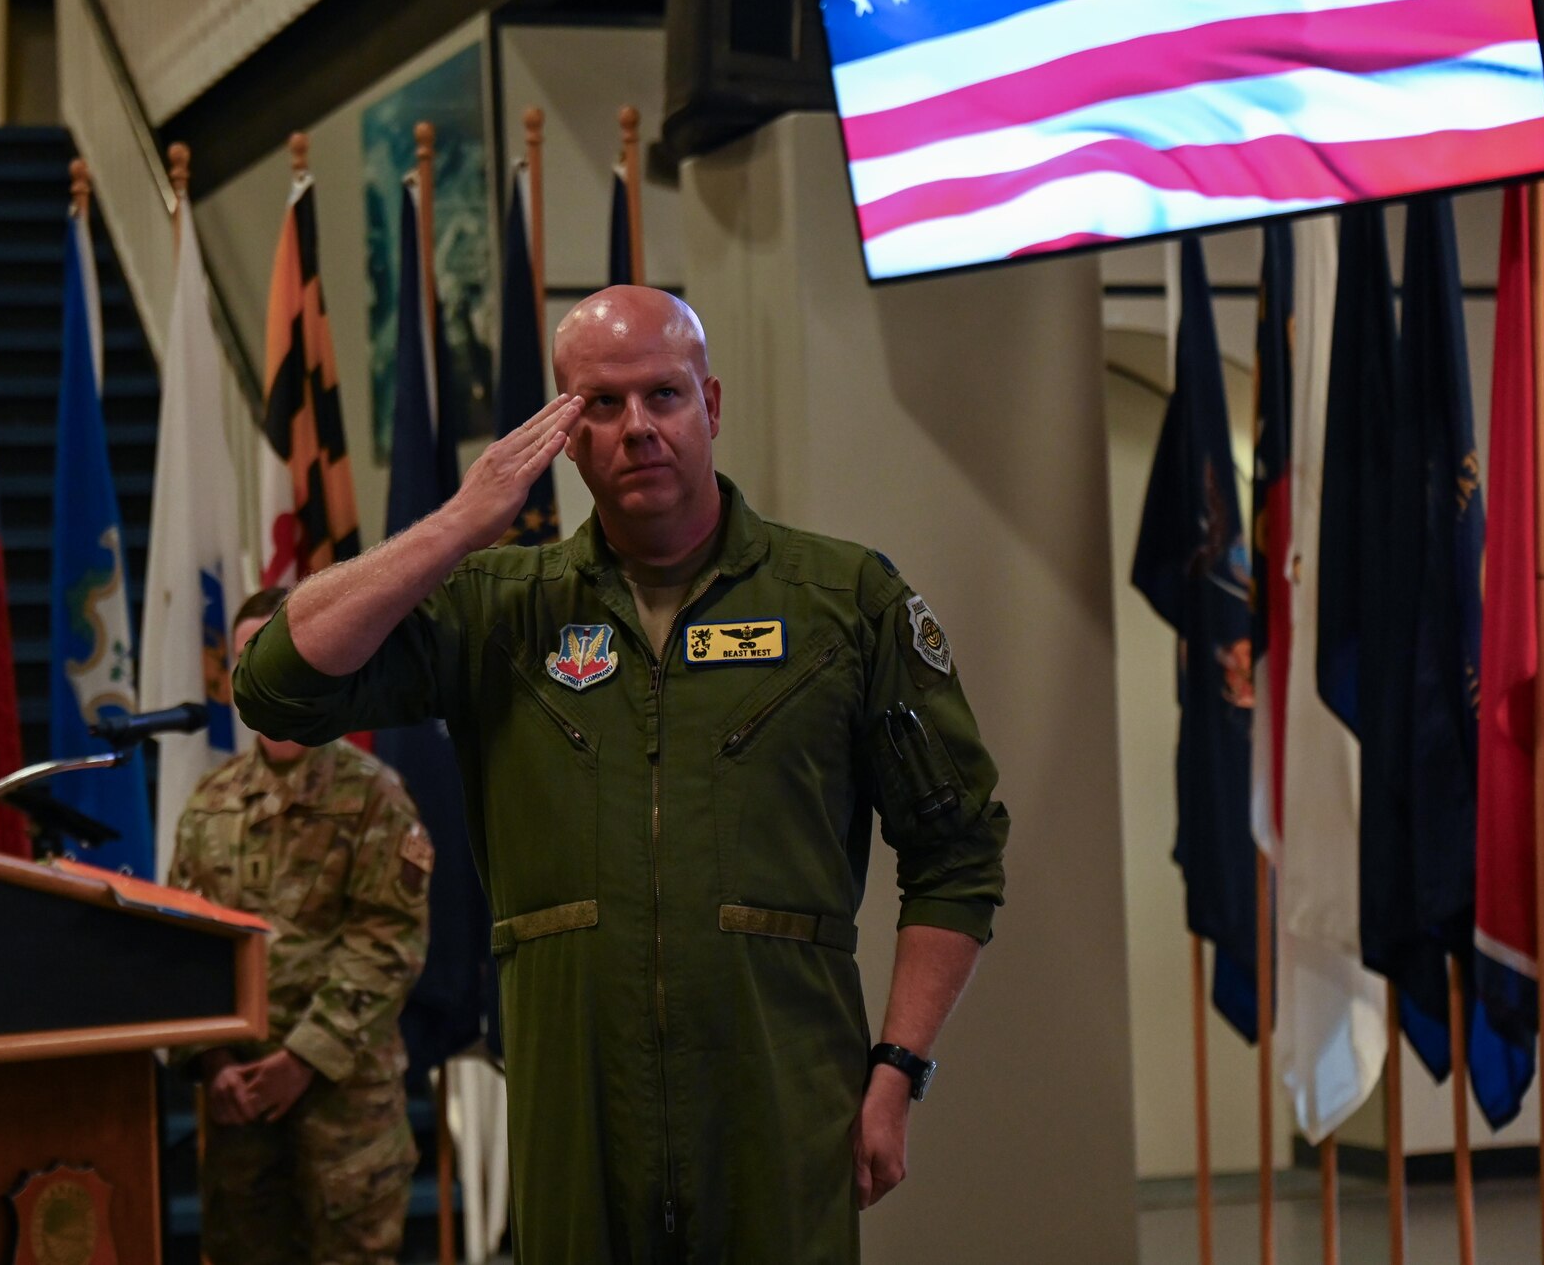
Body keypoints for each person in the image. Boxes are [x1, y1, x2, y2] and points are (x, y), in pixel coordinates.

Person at [233, 286, 1012, 1262]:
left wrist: (895, 1069)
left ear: (711, 404)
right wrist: (458, 525)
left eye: (663, 395)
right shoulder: (499, 612)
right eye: (599, 405)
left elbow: (957, 849)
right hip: (576, 1107)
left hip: (777, 1100)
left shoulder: (841, 602)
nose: (636, 427)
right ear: (561, 432)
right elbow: (275, 687)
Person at [170, 586, 433, 1265]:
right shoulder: (210, 803)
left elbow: (389, 941)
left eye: (278, 656)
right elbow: (180, 943)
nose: (263, 674)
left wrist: (303, 1058)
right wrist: (211, 1060)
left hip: (344, 1107)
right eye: (246, 659)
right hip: (238, 1106)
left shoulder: (372, 794)